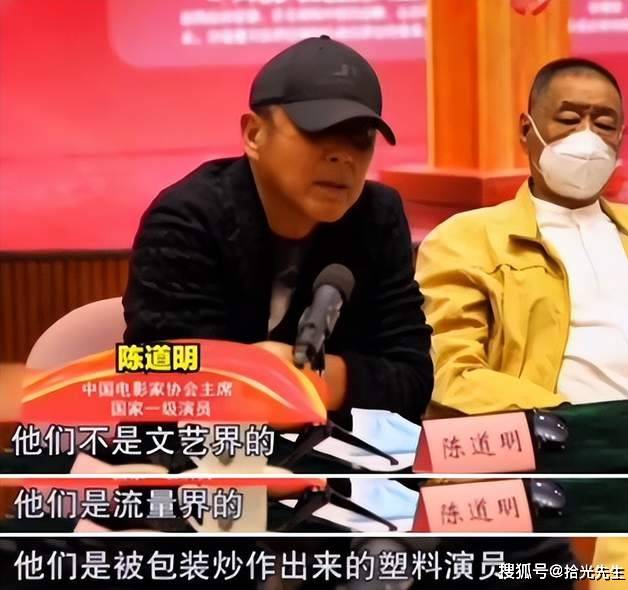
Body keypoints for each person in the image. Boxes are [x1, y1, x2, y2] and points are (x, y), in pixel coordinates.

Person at [123, 35, 433, 426]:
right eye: (318, 130)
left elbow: (413, 379)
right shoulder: (187, 218)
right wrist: (258, 378)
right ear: (254, 134)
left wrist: (302, 379)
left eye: (361, 137)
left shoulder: (377, 217)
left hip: (332, 453)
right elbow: (156, 373)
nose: (342, 156)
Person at [415, 57, 628, 416]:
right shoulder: (465, 241)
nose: (588, 138)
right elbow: (453, 374)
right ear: (526, 130)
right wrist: (568, 420)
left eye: (604, 125)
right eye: (569, 120)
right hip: (558, 435)